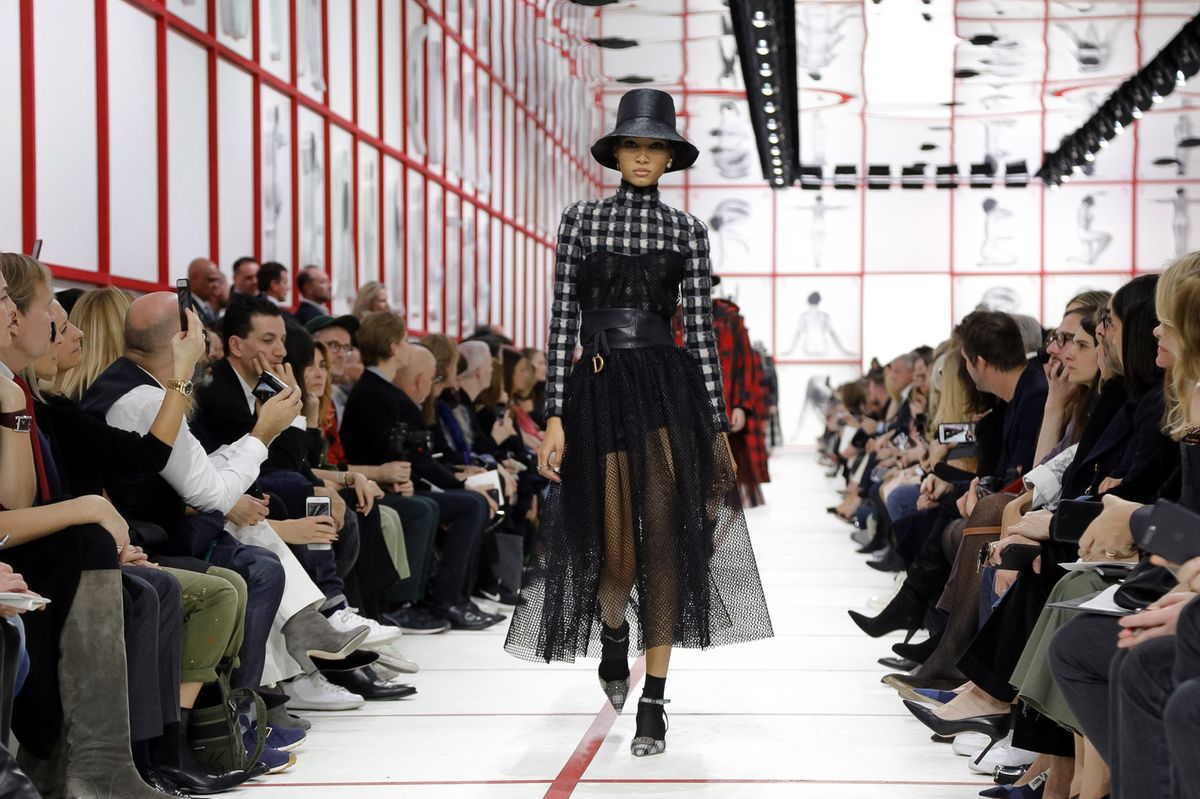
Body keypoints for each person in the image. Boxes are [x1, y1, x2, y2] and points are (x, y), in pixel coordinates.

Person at [503, 88, 773, 757]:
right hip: (596, 389)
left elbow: (701, 337)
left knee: (666, 545)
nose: (644, 156)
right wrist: (555, 413)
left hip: (663, 390)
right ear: (617, 153)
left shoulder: (687, 231)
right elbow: (561, 320)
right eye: (633, 144)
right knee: (617, 558)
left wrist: (716, 426)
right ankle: (614, 631)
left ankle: (654, 697)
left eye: (655, 146)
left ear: (670, 156)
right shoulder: (581, 221)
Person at [338, 315, 500, 631]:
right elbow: (404, 457)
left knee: (467, 503)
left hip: (384, 484)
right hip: (373, 488)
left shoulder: (378, 391)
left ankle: (450, 597)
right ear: (394, 347)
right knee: (462, 504)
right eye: (404, 341)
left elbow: (407, 457)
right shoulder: (379, 394)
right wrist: (454, 482)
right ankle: (427, 600)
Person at [186, 257, 222, 326]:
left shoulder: (212, 305)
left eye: (217, 280)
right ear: (193, 278)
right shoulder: (185, 307)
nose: (216, 285)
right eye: (211, 280)